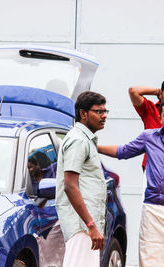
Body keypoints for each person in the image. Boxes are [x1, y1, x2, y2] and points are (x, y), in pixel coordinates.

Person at [98, 98, 164, 267]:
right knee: (149, 260)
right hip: (153, 212)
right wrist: (94, 146)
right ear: (160, 117)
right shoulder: (149, 137)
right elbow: (123, 151)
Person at [55, 91, 109, 267]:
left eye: (105, 111)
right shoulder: (78, 141)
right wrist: (91, 225)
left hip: (86, 225)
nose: (104, 116)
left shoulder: (86, 139)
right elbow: (70, 186)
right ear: (83, 114)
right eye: (99, 112)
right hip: (81, 226)